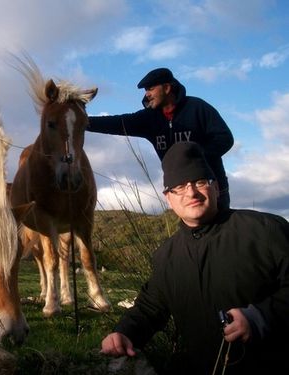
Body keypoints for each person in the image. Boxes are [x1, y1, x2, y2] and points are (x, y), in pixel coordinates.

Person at [100, 142, 289, 375]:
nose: (191, 193)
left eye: (200, 182)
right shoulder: (166, 256)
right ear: (168, 198)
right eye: (179, 186)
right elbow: (151, 306)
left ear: (216, 187)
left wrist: (260, 317)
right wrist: (124, 333)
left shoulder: (265, 230)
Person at [87, 67, 234, 210]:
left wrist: (196, 156)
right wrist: (79, 121)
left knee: (221, 230)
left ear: (167, 88)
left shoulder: (197, 108)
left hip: (209, 187)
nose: (147, 95)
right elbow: (118, 123)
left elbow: (225, 138)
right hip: (179, 191)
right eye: (146, 90)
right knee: (192, 230)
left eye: (150, 89)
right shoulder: (149, 118)